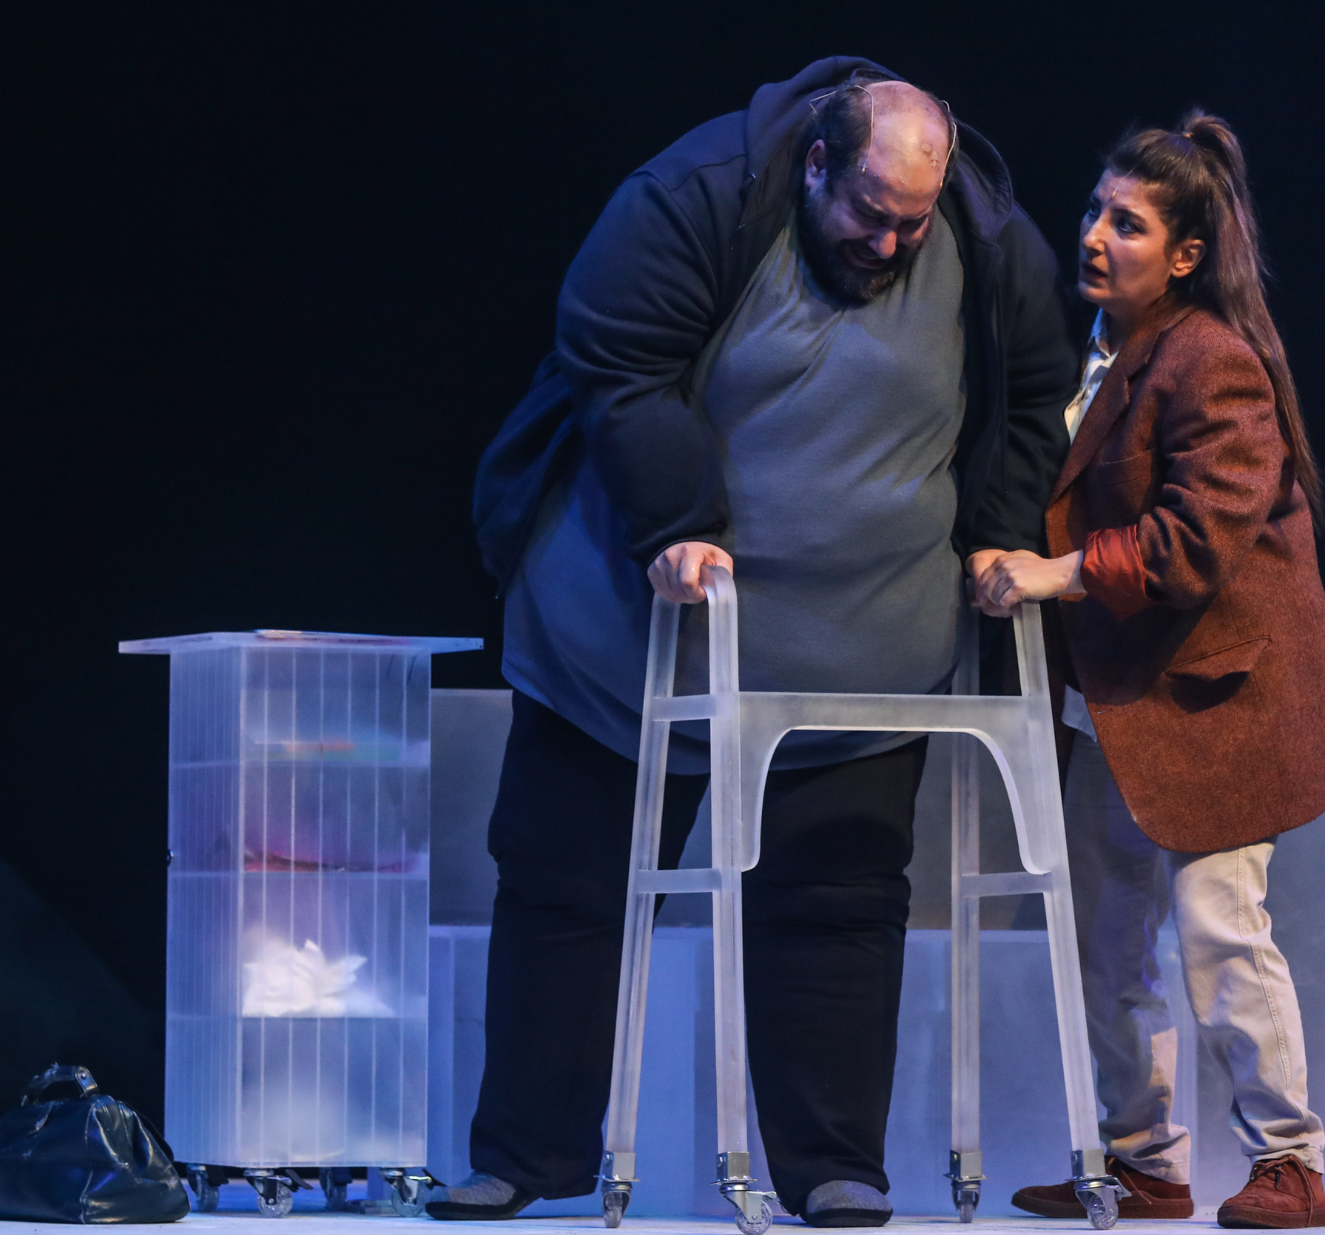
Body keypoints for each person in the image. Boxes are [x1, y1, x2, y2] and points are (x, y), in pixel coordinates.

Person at [431, 59, 1075, 1228]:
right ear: (817, 163)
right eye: (870, 214)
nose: (890, 244)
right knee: (566, 887)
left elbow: (1037, 391)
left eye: (912, 221)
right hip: (632, 638)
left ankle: (834, 1166)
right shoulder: (695, 196)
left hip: (862, 649)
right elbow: (615, 354)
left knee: (841, 897)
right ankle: (522, 1155)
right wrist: (678, 523)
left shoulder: (987, 236)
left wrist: (997, 527)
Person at [975, 113, 1325, 1229]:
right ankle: (1143, 1162)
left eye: (1127, 224)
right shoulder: (1099, 350)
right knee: (1105, 937)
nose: (1095, 235)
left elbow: (1194, 540)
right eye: (1095, 210)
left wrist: (1055, 572)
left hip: (1220, 694)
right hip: (1124, 697)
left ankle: (1290, 1160)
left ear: (1184, 254)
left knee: (1220, 927)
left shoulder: (1211, 358)